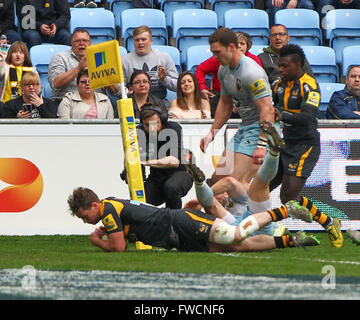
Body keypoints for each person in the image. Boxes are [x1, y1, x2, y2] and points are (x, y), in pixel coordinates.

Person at [67, 181, 316, 253]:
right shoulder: (111, 208)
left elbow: (119, 248)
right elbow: (130, 231)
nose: (84, 220)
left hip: (179, 223)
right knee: (238, 246)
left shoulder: (108, 210)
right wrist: (110, 234)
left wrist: (98, 241)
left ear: (95, 205)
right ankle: (292, 241)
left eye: (83, 215)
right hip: (179, 237)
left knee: (235, 234)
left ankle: (286, 211)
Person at [269, 43, 343, 248]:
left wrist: (282, 115)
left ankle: (327, 223)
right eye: (279, 65)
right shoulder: (278, 84)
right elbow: (271, 107)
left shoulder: (309, 85)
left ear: (297, 65)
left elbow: (308, 116)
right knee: (264, 187)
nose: (280, 70)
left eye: (284, 66)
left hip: (305, 146)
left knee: (289, 196)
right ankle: (268, 228)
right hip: (284, 143)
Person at [186, 120, 290, 239]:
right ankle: (274, 152)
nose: (216, 197)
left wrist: (201, 198)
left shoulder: (236, 200)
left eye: (217, 194)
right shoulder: (220, 210)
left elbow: (229, 182)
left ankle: (199, 184)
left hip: (246, 224)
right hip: (240, 226)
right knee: (260, 184)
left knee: (257, 185)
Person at [200, 28, 275, 190]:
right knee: (217, 178)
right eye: (213, 52)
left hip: (261, 129)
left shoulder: (251, 72)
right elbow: (225, 103)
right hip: (245, 128)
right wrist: (213, 132)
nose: (215, 57)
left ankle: (257, 214)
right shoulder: (223, 69)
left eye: (218, 52)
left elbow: (268, 109)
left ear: (232, 47)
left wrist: (262, 144)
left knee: (235, 182)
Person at [122, 103, 193, 209]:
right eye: (147, 124)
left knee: (171, 187)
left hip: (180, 174)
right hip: (156, 179)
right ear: (142, 123)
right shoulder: (138, 131)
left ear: (163, 120)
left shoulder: (173, 128)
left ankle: (175, 221)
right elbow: (129, 154)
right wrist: (128, 170)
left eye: (155, 123)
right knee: (138, 200)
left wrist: (146, 162)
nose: (152, 128)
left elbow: (174, 161)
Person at [195, 31, 263, 118]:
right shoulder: (220, 58)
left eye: (242, 43)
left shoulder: (254, 60)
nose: (239, 46)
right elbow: (200, 69)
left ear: (248, 46)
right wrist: (202, 88)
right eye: (236, 43)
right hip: (220, 98)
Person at [48, 29, 121, 107]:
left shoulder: (100, 57)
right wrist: (78, 68)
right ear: (71, 43)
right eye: (77, 41)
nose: (81, 43)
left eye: (85, 41)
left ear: (90, 43)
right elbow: (55, 83)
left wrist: (106, 73)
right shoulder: (60, 57)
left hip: (96, 104)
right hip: (67, 103)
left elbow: (117, 92)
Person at [121, 25, 178, 104]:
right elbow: (120, 88)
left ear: (151, 41)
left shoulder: (164, 57)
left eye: (143, 39)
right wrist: (128, 92)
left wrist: (164, 79)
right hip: (133, 102)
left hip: (159, 102)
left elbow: (177, 86)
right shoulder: (124, 60)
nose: (140, 42)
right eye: (137, 40)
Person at [258, 24, 314, 89]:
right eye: (274, 35)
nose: (277, 38)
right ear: (269, 39)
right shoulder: (261, 58)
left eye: (281, 34)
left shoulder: (297, 56)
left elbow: (311, 79)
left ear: (288, 38)